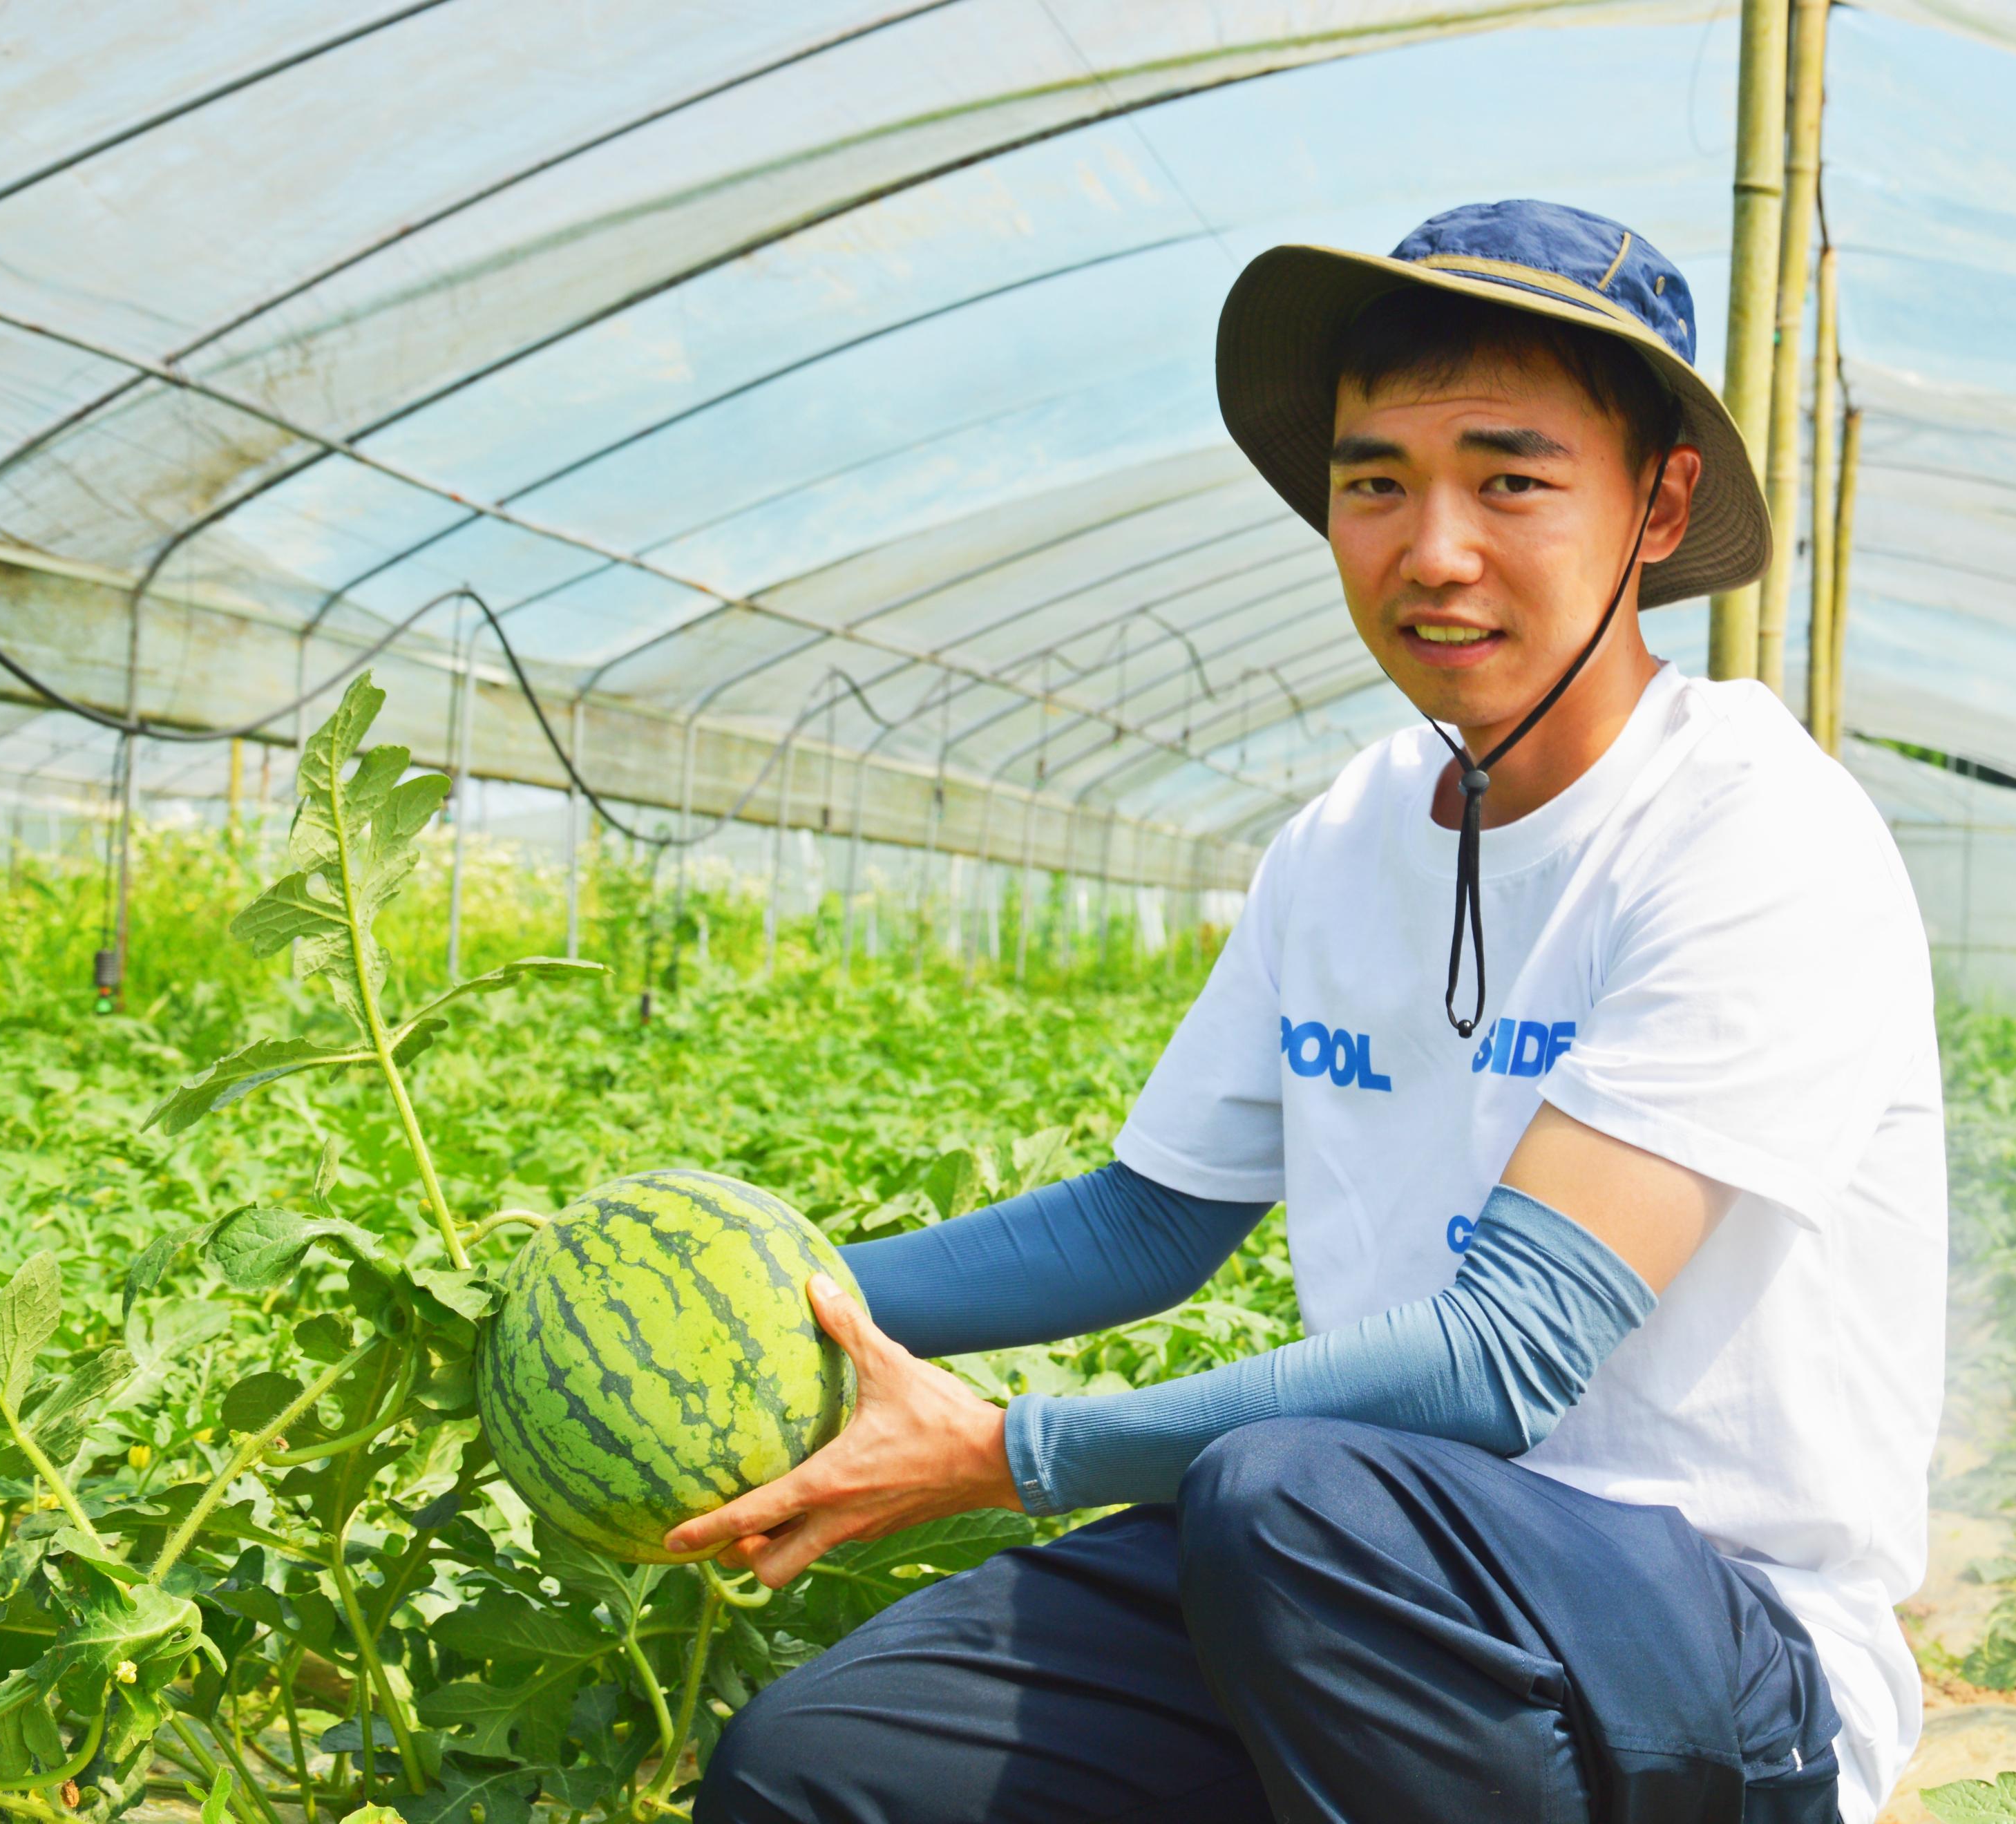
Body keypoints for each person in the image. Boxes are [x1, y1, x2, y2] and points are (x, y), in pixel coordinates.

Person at [681, 199, 1943, 1824]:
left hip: (1718, 1657)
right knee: (823, 1767)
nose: (1433, 550)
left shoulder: (1753, 830)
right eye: (1374, 484)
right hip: (1354, 1589)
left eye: (1511, 479)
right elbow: (1149, 1222)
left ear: (1658, 501)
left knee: (1285, 1499)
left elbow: (1506, 1359)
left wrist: (1011, 1451)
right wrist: (773, 1308)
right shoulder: (1349, 835)